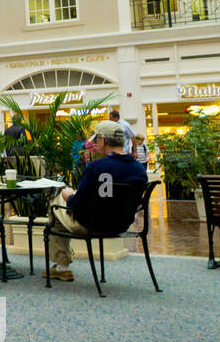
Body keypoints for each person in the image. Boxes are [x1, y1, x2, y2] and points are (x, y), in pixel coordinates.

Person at [46, 121, 147, 282]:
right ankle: (61, 264)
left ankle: (61, 265)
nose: (94, 145)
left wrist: (68, 194)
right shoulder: (138, 169)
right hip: (120, 224)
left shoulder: (97, 166)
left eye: (96, 141)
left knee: (56, 200)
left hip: (92, 224)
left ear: (102, 141)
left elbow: (75, 204)